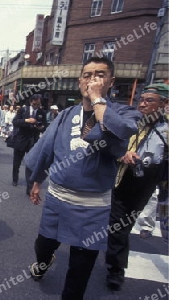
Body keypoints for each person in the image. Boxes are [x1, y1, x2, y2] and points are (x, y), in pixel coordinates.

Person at [24, 56, 141, 300]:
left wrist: (98, 101)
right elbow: (46, 149)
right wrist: (36, 181)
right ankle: (44, 262)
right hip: (58, 199)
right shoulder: (65, 115)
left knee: (80, 266)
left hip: (93, 207)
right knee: (43, 245)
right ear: (79, 82)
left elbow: (119, 131)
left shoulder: (124, 112)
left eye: (100, 75)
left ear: (111, 82)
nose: (92, 80)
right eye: (87, 75)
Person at [105, 83, 168, 291]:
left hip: (147, 184)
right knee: (118, 226)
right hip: (122, 179)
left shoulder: (166, 129)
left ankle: (114, 260)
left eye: (149, 101)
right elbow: (109, 144)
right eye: (141, 99)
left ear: (164, 104)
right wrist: (122, 154)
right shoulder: (129, 121)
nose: (143, 104)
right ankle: (116, 270)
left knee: (124, 225)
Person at [11, 94, 47, 192]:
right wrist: (27, 120)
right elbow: (15, 122)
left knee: (30, 164)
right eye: (35, 103)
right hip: (21, 140)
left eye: (39, 104)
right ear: (31, 102)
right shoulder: (23, 110)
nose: (37, 105)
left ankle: (29, 186)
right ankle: (15, 179)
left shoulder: (42, 112)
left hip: (33, 142)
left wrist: (41, 128)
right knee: (16, 163)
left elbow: (45, 126)